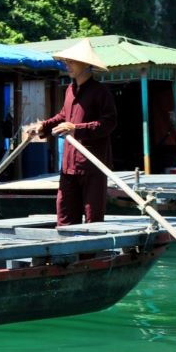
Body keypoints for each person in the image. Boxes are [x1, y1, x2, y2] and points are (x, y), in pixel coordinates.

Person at [28, 39, 117, 226]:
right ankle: (66, 252)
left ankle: (92, 252)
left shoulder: (101, 92)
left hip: (92, 162)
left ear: (86, 64)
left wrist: (77, 128)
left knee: (92, 215)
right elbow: (64, 115)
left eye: (71, 61)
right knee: (65, 211)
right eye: (66, 61)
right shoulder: (69, 89)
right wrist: (43, 126)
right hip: (69, 162)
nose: (67, 65)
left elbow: (108, 123)